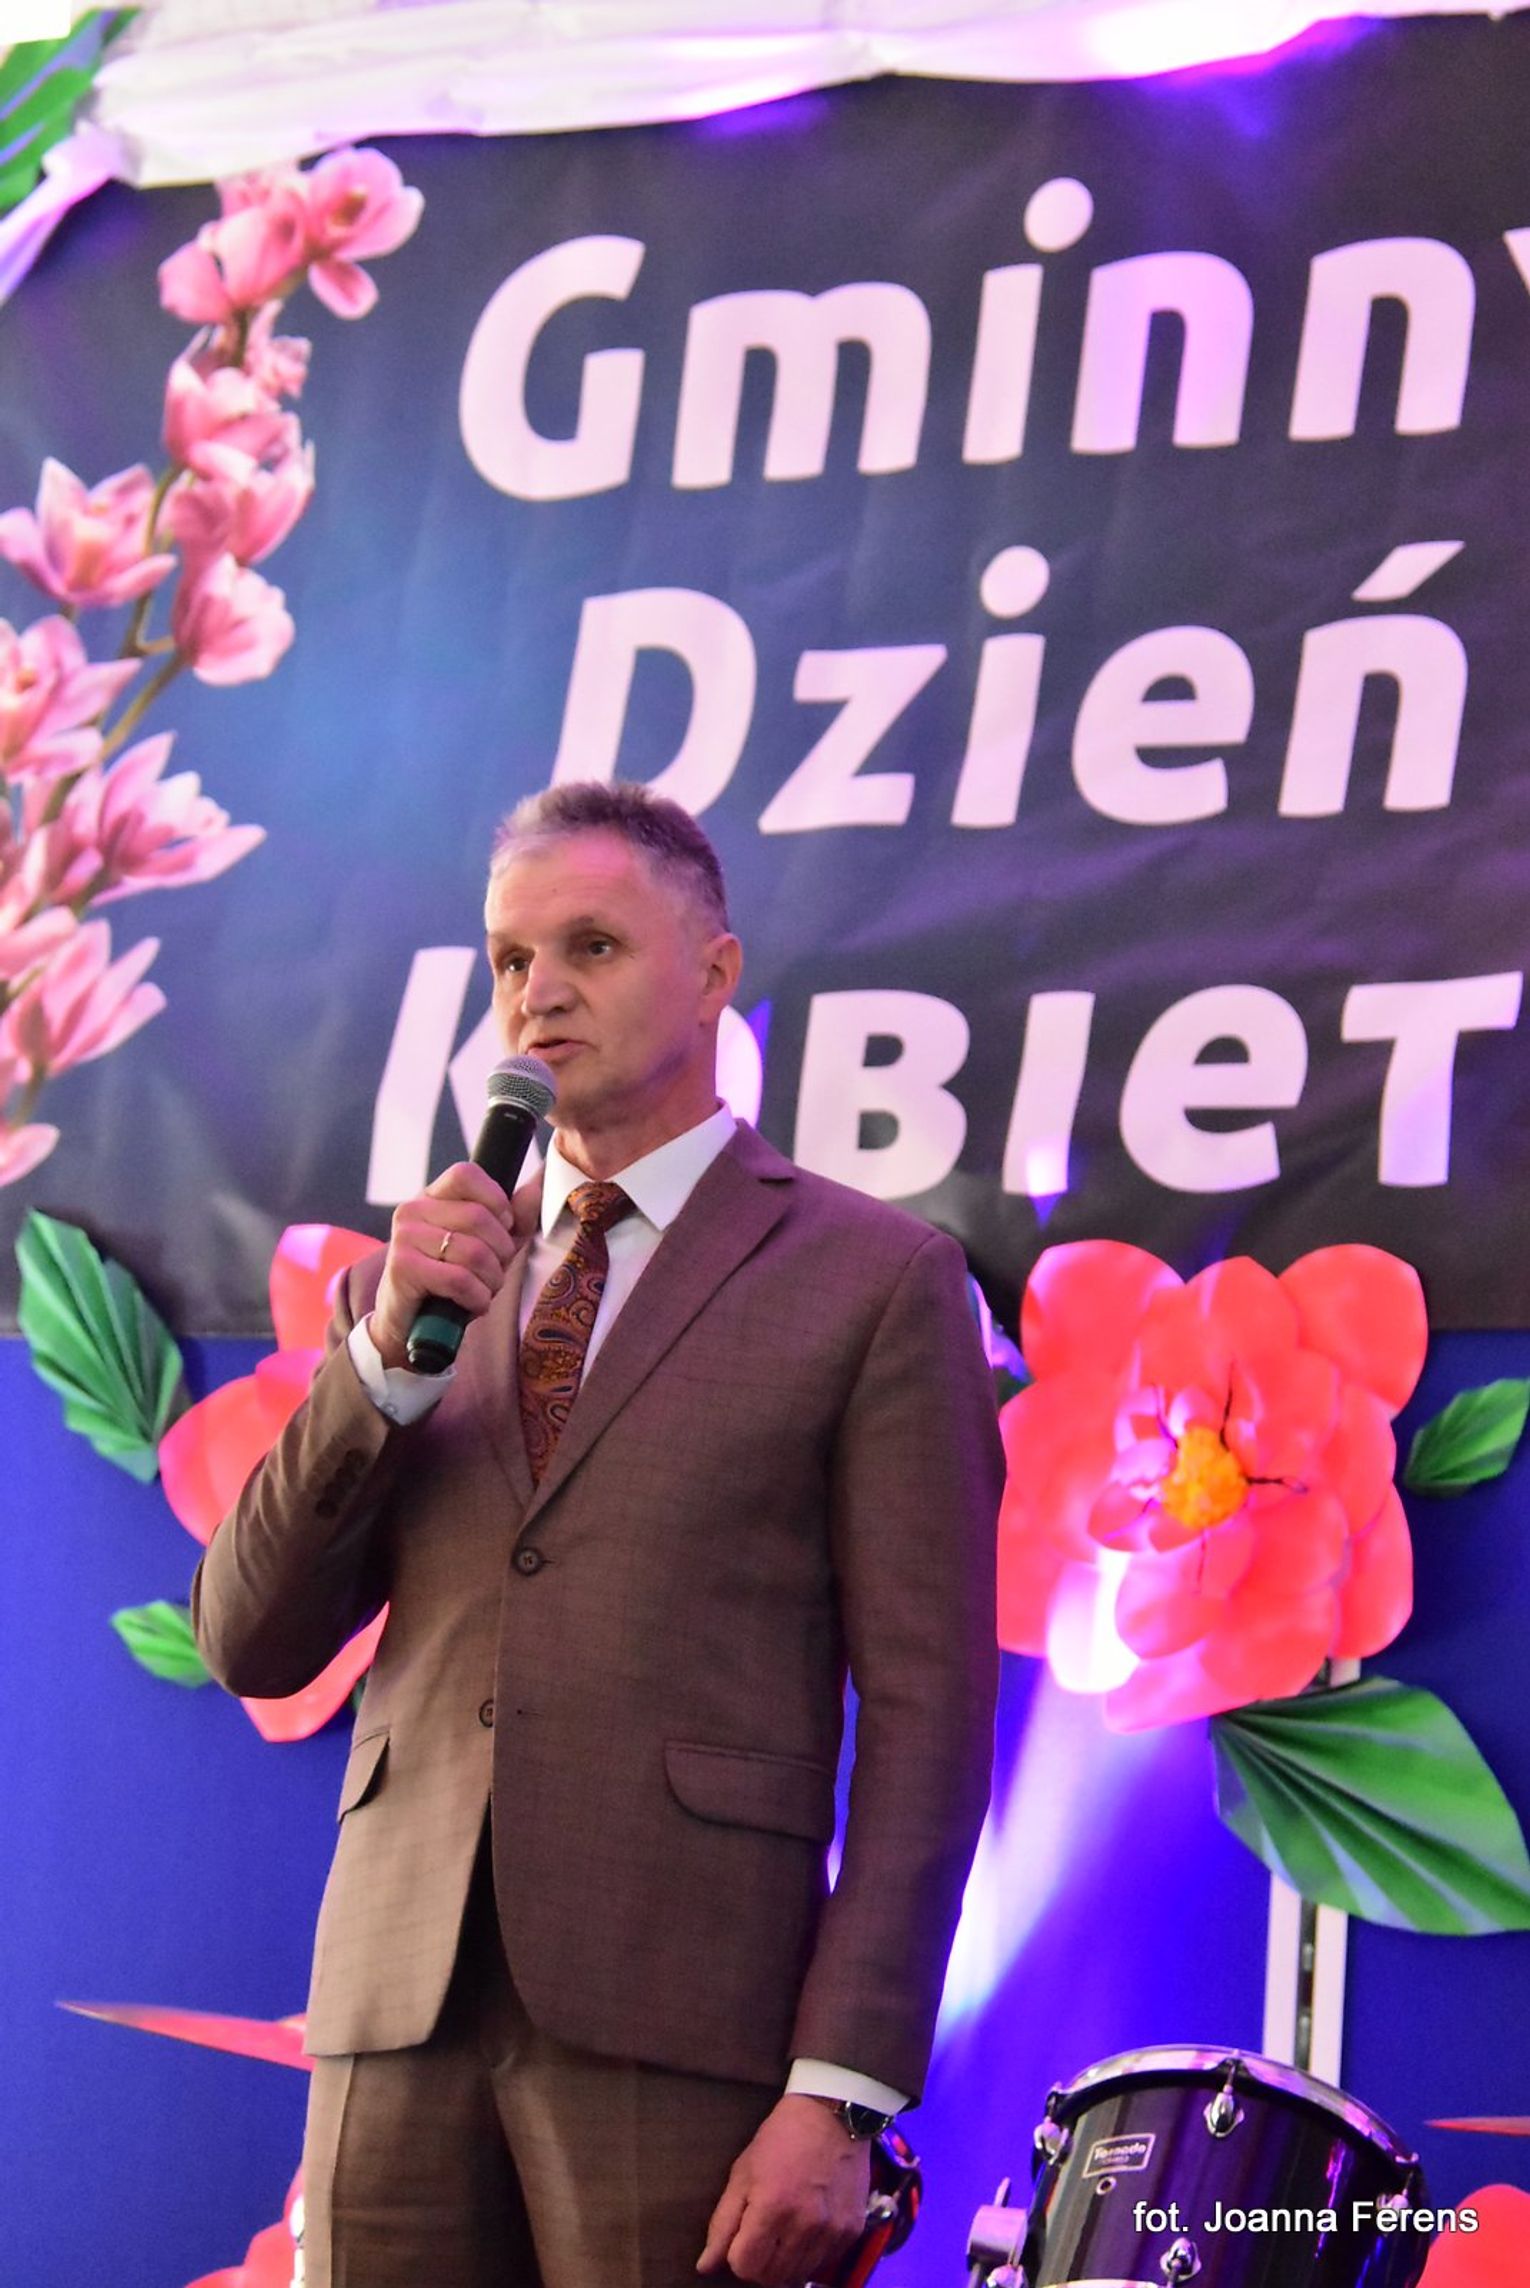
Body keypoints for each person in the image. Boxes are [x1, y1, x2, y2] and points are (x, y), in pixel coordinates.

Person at [193, 782, 1003, 2288]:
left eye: (592, 947)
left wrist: (841, 2090)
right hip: (396, 2009)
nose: (540, 992)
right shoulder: (419, 1277)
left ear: (713, 974)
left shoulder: (875, 1282)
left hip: (688, 2019)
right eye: (510, 958)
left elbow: (929, 1716)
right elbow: (248, 1638)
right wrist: (380, 1362)